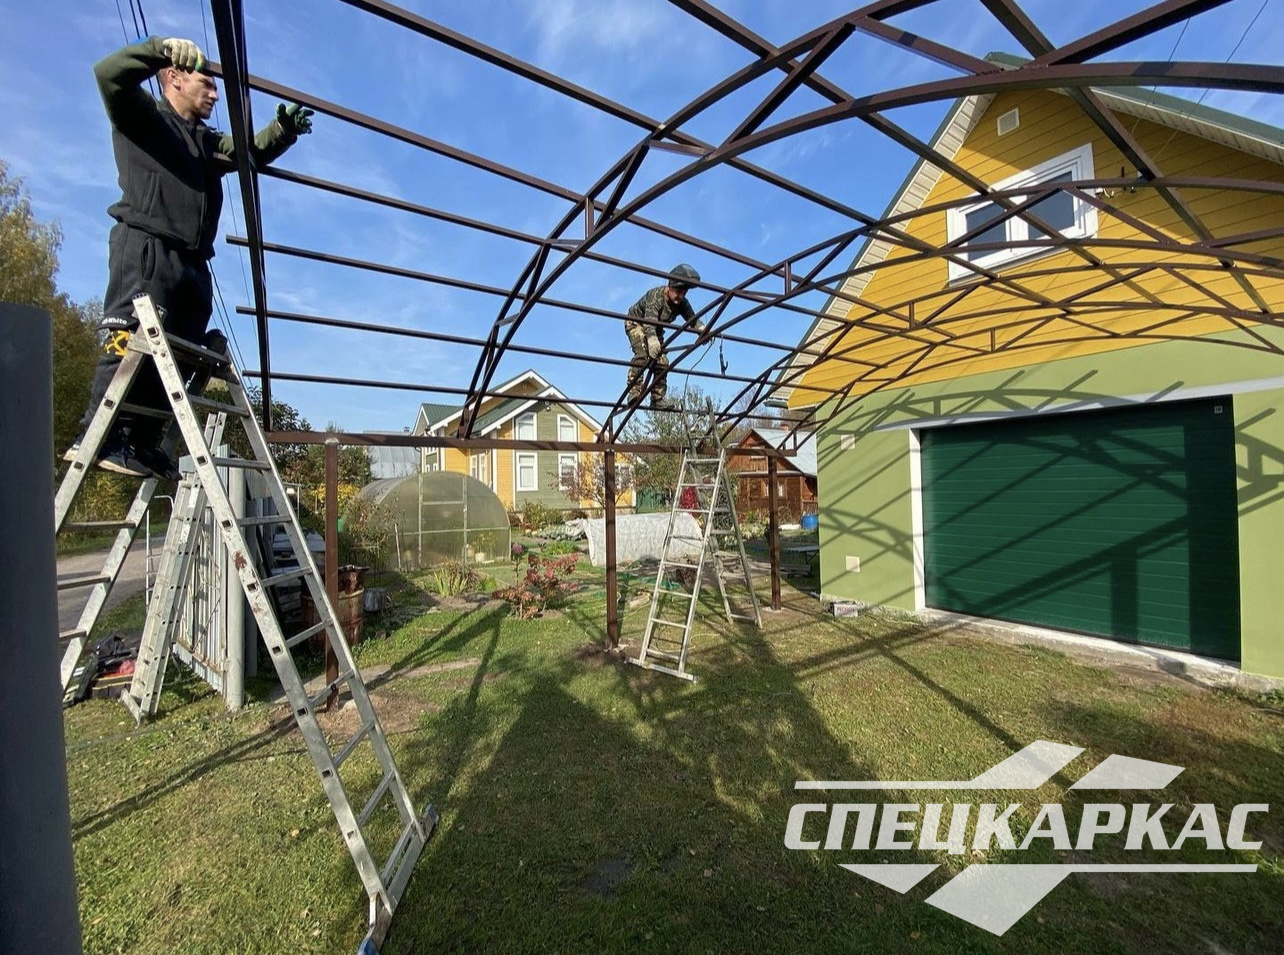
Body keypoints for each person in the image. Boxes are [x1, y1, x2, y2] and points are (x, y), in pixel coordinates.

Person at [65, 35, 314, 479]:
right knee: (130, 342)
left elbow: (248, 152)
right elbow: (108, 75)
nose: (215, 94)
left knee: (177, 358)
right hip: (148, 250)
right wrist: (157, 49)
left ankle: (140, 441)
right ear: (175, 78)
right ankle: (101, 437)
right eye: (207, 84)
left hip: (194, 263)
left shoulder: (206, 142)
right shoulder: (144, 119)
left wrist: (282, 131)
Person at [624, 263, 708, 410]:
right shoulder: (655, 297)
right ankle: (634, 392)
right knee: (643, 353)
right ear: (670, 286)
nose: (680, 296)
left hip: (656, 328)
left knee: (662, 361)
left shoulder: (682, 303)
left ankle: (657, 398)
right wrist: (652, 340)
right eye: (678, 292)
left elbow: (693, 320)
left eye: (684, 293)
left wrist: (703, 330)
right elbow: (649, 321)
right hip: (637, 322)